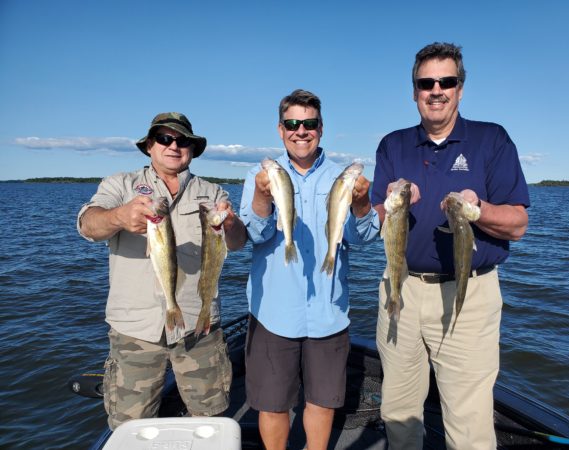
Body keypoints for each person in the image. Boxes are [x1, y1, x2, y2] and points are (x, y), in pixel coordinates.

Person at [371, 43, 530, 450]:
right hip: (400, 288)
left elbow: (517, 225)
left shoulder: (492, 139)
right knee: (398, 410)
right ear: (414, 91)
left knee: (469, 422)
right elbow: (375, 219)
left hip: (469, 292)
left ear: (460, 88)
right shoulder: (392, 145)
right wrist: (391, 201)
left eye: (446, 81)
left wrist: (477, 210)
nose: (436, 90)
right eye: (426, 83)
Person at [77, 112, 247, 430]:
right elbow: (88, 225)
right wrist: (118, 217)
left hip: (200, 326)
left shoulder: (212, 193)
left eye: (182, 140)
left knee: (209, 419)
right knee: (130, 426)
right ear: (150, 146)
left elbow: (237, 243)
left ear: (192, 148)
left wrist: (231, 224)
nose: (173, 145)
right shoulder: (120, 185)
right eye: (164, 138)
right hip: (135, 330)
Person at [240, 89, 380, 450]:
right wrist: (262, 197)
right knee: (272, 403)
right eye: (292, 124)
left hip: (328, 312)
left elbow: (363, 237)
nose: (300, 131)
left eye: (309, 123)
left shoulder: (340, 176)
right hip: (273, 312)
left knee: (322, 401)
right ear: (280, 129)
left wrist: (362, 204)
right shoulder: (258, 175)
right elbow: (254, 234)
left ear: (321, 128)